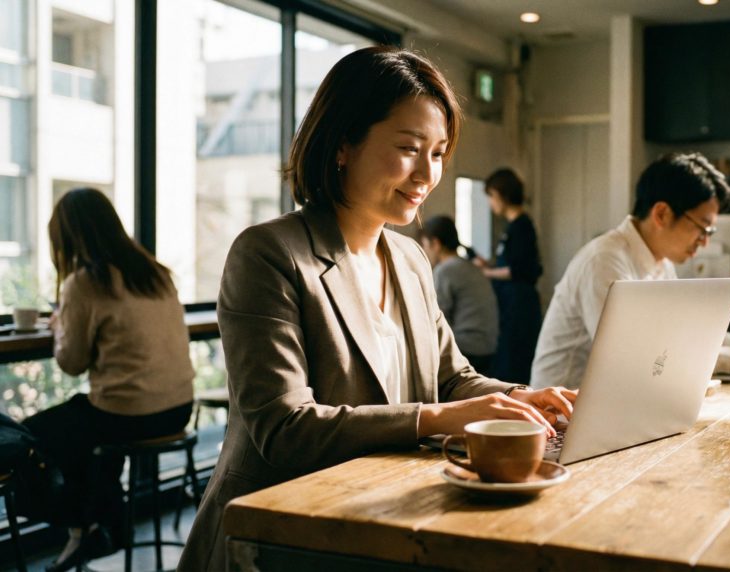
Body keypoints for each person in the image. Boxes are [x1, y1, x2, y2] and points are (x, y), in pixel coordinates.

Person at [178, 46, 576, 572]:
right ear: (343, 144)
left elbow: (452, 379)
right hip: (275, 533)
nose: (426, 174)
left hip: (375, 516)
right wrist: (435, 417)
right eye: (409, 148)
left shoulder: (409, 258)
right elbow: (284, 428)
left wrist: (523, 399)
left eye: (437, 154)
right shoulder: (268, 253)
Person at [22, 188, 194, 572]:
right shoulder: (154, 273)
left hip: (127, 415)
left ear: (68, 237)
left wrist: (61, 326)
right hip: (178, 410)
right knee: (83, 429)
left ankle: (92, 522)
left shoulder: (85, 282)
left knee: (29, 438)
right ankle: (94, 528)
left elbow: (71, 363)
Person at [530, 153, 730, 390]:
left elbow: (684, 329)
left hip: (620, 402)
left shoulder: (661, 261)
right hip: (563, 418)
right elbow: (633, 358)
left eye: (710, 231)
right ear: (662, 214)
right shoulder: (604, 261)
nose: (705, 242)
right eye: (702, 228)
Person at [474, 168, 543, 383]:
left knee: (514, 362)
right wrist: (491, 266)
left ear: (501, 195)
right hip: (510, 304)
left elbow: (521, 269)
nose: (490, 203)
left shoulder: (522, 226)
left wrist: (486, 272)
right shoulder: (513, 227)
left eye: (491, 197)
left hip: (519, 306)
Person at [419, 215, 499, 374]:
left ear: (435, 244)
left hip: (467, 349)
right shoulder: (471, 267)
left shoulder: (445, 271)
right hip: (488, 348)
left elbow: (437, 319)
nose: (424, 252)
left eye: (425, 246)